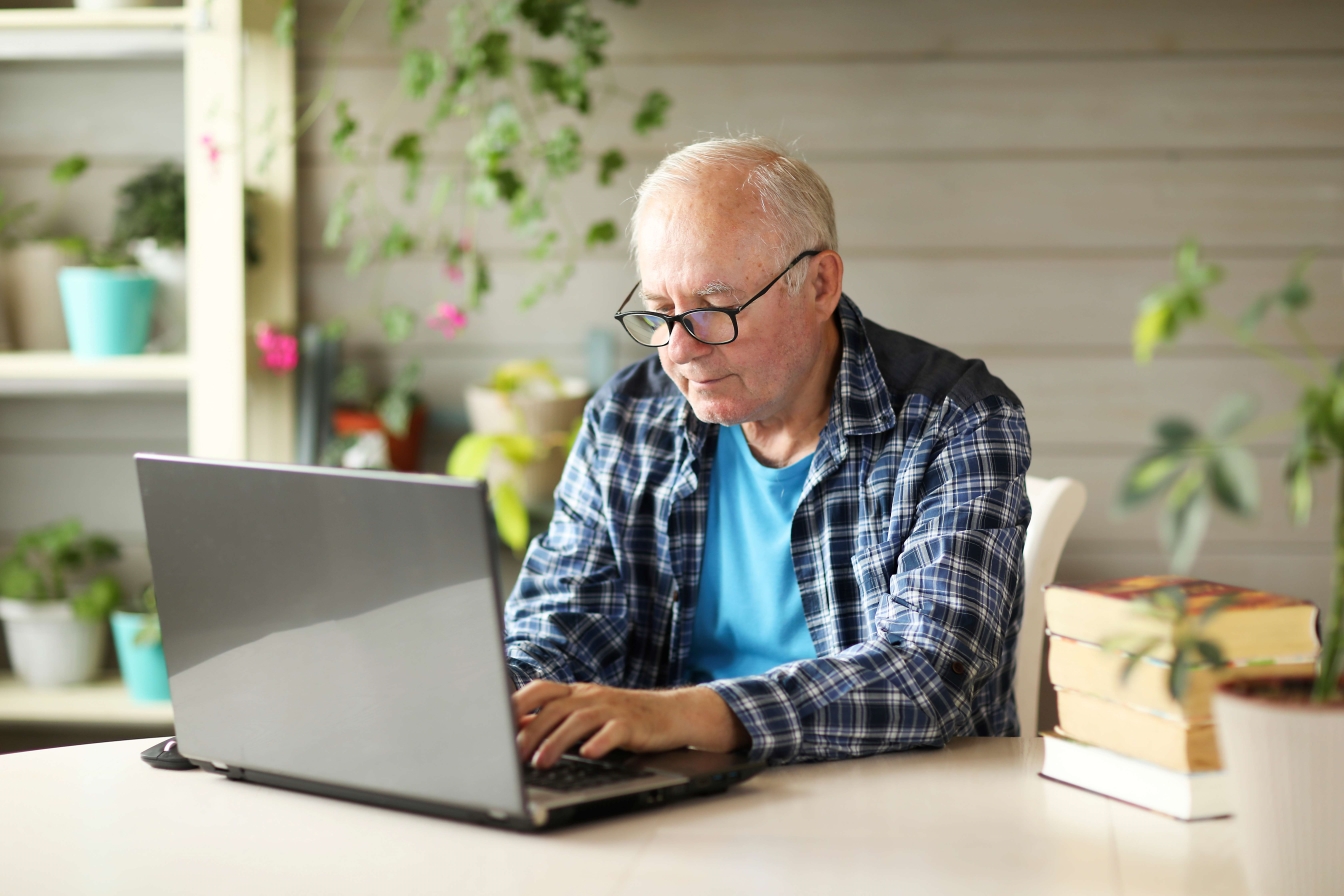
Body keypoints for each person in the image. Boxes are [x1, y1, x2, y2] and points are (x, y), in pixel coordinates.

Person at [507, 137, 1031, 768]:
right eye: (660, 311)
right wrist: (498, 699)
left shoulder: (958, 420)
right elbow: (559, 622)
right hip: (673, 795)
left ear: (819, 284)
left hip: (895, 802)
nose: (678, 350)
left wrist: (675, 715)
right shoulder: (627, 416)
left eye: (713, 310)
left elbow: (928, 675)